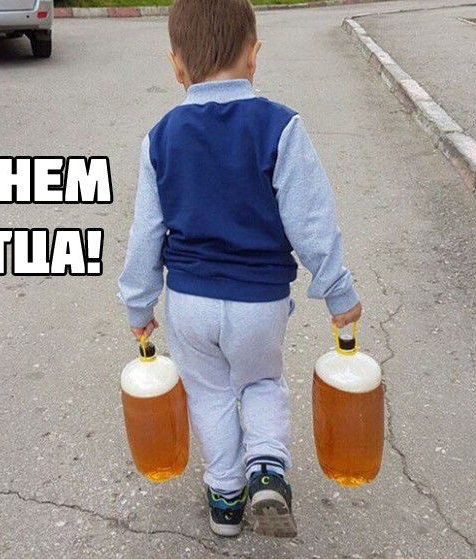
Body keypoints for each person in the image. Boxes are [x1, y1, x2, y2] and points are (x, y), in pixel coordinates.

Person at [118, 0, 362, 538]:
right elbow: (311, 220)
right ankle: (268, 470)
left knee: (209, 393)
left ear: (176, 66)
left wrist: (138, 305)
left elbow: (146, 234)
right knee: (261, 382)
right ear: (254, 55)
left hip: (190, 303)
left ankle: (226, 499)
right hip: (259, 303)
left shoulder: (161, 137)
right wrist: (338, 292)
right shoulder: (280, 127)